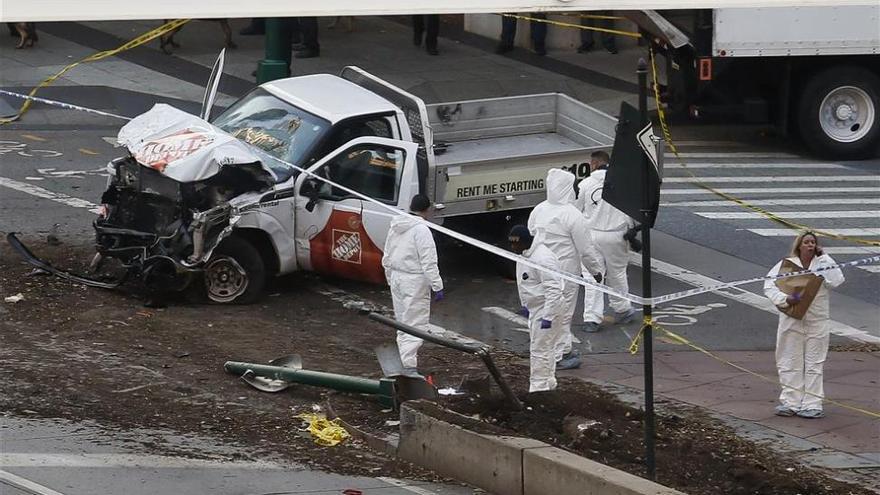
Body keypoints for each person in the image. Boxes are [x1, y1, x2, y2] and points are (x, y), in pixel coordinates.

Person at [528, 168, 603, 370]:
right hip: (564, 271)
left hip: (539, 268)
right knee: (563, 312)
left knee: (544, 310)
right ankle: (559, 354)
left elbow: (531, 231)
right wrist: (595, 271)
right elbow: (585, 249)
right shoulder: (573, 215)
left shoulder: (539, 209)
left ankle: (559, 348)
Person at [763, 232, 844, 419]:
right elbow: (769, 285)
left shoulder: (822, 263)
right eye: (806, 242)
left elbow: (837, 280)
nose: (810, 245)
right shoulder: (788, 264)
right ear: (799, 245)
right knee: (789, 359)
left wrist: (824, 257)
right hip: (792, 318)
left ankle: (812, 403)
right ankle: (790, 401)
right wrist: (785, 299)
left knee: (814, 361)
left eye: (813, 242)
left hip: (817, 319)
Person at [576, 151, 636, 333]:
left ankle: (591, 319)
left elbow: (577, 211)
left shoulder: (585, 184)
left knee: (592, 277)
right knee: (617, 274)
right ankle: (623, 309)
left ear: (593, 164)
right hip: (616, 235)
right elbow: (632, 209)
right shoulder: (623, 183)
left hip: (591, 235)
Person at [382, 194, 444, 370]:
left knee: (402, 322)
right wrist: (437, 285)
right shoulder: (421, 230)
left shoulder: (396, 225)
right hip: (414, 280)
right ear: (427, 209)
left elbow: (386, 255)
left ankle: (403, 360)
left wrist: (389, 278)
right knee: (415, 324)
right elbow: (428, 260)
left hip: (397, 277)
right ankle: (408, 367)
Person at [510, 225, 566, 392]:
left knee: (539, 350)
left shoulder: (543, 258)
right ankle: (548, 382)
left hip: (547, 308)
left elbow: (553, 289)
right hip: (538, 307)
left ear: (525, 242)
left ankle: (538, 388)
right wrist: (527, 305)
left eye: (516, 244)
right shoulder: (526, 254)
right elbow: (528, 283)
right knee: (546, 348)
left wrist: (548, 316)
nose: (513, 248)